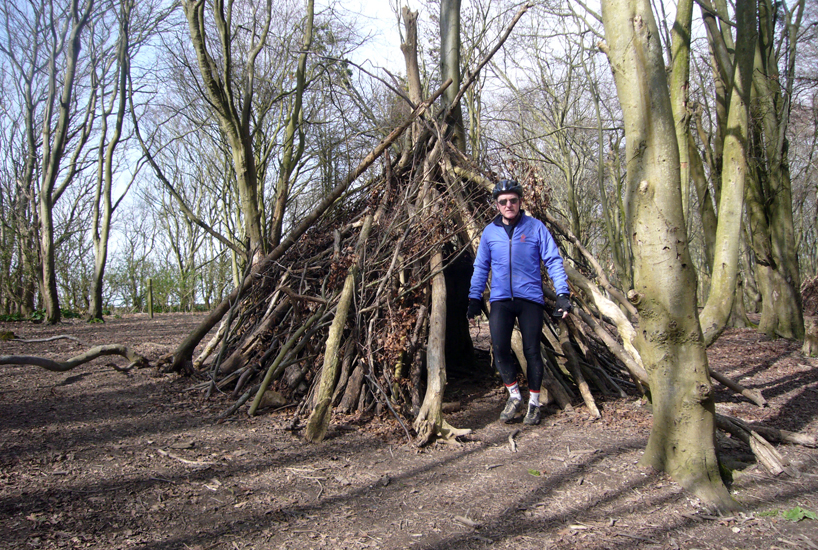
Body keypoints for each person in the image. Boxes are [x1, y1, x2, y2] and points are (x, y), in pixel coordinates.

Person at [467, 179, 572, 425]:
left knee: (532, 351)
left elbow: (553, 261)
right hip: (501, 299)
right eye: (503, 201)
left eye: (513, 200)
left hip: (530, 299)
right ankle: (514, 395)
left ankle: (534, 403)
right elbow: (481, 266)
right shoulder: (490, 232)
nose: (508, 205)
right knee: (501, 347)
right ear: (496, 205)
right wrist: (474, 297)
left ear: (520, 202)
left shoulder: (535, 228)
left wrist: (562, 294)